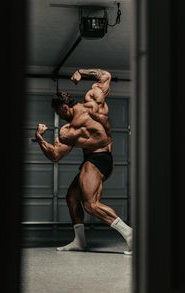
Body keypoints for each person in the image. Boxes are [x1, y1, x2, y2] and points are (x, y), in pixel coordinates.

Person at [35, 69, 132, 254]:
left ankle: (130, 235)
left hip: (97, 159)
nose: (59, 116)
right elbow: (105, 76)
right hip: (103, 158)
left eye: (58, 113)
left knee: (90, 204)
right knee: (72, 197)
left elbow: (55, 155)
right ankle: (79, 241)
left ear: (64, 108)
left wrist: (39, 137)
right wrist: (81, 72)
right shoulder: (93, 100)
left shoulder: (68, 131)